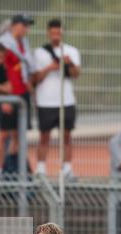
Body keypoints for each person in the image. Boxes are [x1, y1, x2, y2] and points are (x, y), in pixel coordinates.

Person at [33, 19, 81, 177]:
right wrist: (50, 68)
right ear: (48, 32)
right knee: (44, 136)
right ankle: (41, 168)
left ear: (62, 32)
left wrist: (70, 64)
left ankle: (67, 168)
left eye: (58, 32)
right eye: (53, 32)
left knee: (66, 136)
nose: (55, 35)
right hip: (45, 101)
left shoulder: (71, 51)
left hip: (66, 100)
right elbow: (34, 78)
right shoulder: (39, 53)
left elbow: (76, 74)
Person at [0, 13, 35, 174]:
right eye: (23, 25)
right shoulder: (3, 44)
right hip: (9, 93)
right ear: (14, 25)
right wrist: (4, 98)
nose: (26, 29)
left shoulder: (24, 43)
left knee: (19, 135)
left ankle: (10, 168)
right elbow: (0, 70)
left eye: (27, 26)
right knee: (4, 134)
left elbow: (28, 68)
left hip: (22, 92)